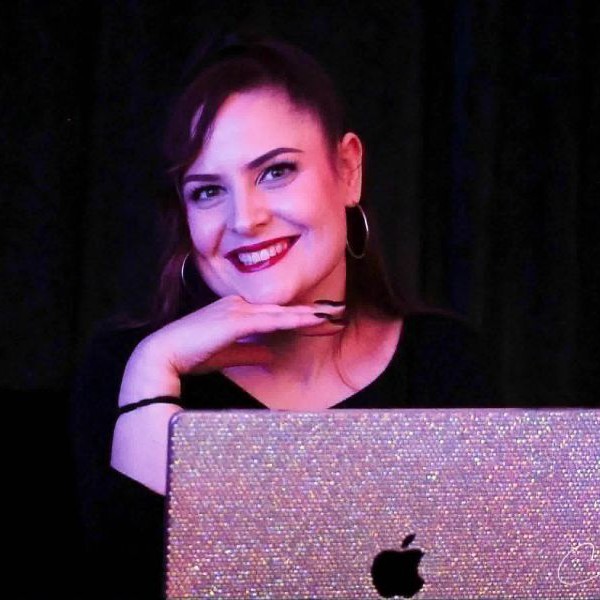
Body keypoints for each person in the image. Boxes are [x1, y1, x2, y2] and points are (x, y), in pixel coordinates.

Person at [69, 34, 496, 599]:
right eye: (207, 192)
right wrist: (155, 370)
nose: (244, 219)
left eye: (276, 172)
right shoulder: (125, 367)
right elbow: (127, 582)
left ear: (348, 170)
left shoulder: (445, 361)